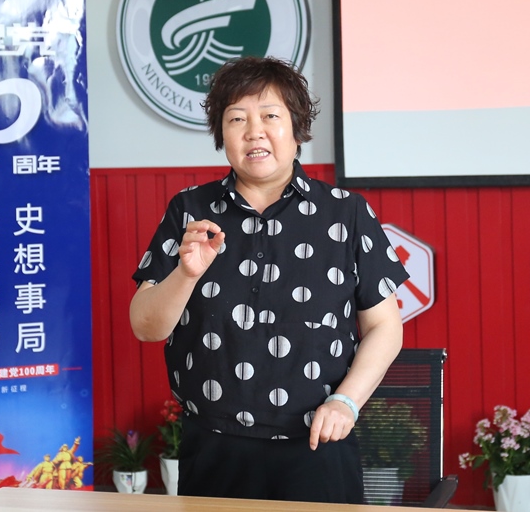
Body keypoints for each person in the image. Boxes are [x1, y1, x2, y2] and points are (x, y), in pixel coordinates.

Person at [129, 56, 408, 504]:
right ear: (221, 135)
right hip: (214, 449)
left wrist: (346, 402)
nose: (253, 131)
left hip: (318, 445)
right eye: (236, 119)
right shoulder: (189, 210)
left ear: (297, 128)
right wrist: (186, 273)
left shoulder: (346, 212)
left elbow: (385, 327)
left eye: (270, 116)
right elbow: (146, 327)